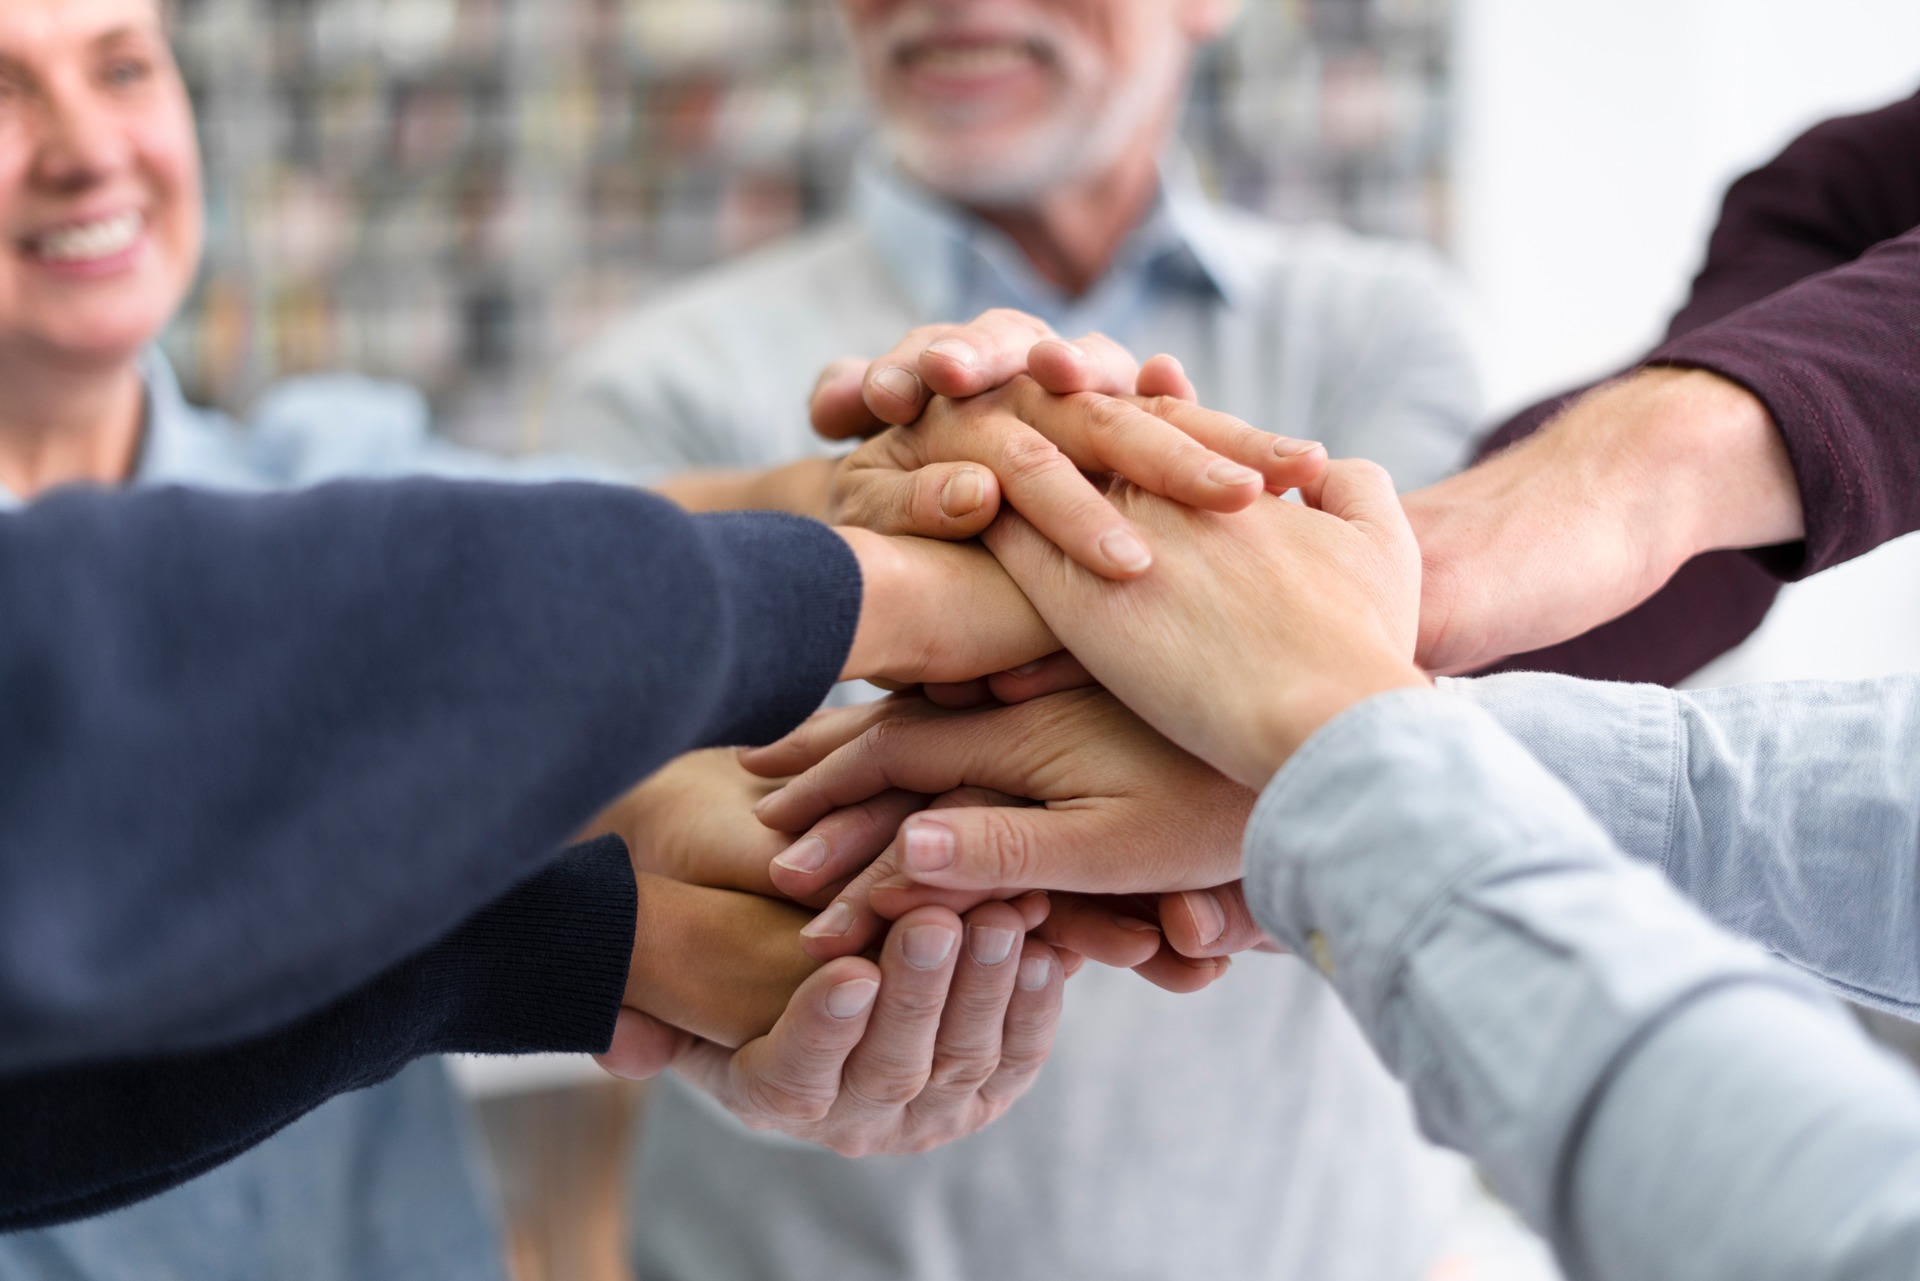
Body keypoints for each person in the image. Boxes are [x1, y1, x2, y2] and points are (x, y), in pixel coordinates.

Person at [0, 0, 1306, 1260]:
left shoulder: (332, 465)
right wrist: (904, 593)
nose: (86, 147)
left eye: (122, 66)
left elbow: (537, 590)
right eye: (3, 85)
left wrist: (889, 496)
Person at [551, 0, 1498, 1275]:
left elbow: (1428, 730)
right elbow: (578, 778)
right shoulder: (659, 377)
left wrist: (908, 659)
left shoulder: (1378, 330)